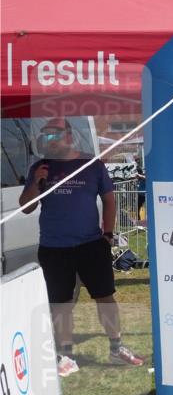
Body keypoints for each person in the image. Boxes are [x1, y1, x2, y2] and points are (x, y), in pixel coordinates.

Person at [19, 118, 144, 377]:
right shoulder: (40, 167)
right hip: (54, 247)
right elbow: (26, 206)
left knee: (105, 297)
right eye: (45, 136)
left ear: (69, 136)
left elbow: (109, 201)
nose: (48, 141)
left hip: (91, 244)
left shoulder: (92, 165)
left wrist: (107, 235)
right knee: (61, 303)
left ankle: (116, 347)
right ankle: (65, 355)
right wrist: (35, 183)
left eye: (53, 136)